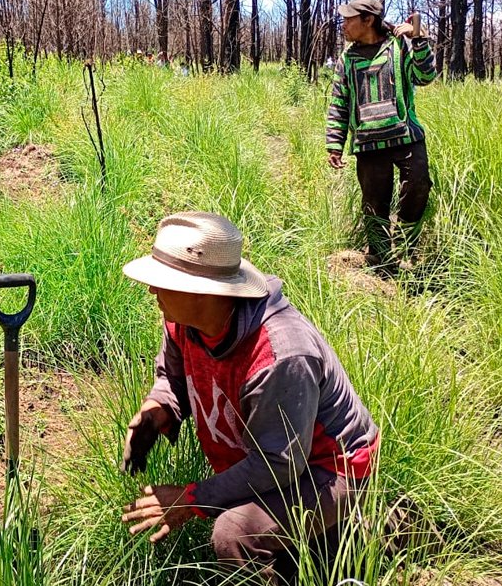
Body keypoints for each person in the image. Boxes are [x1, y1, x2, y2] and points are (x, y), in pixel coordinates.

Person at [119, 212, 379, 585]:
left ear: (203, 291)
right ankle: (318, 542)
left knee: (233, 534)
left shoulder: (279, 354)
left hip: (331, 468)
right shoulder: (183, 322)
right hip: (278, 457)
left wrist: (192, 497)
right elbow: (172, 379)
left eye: (163, 283)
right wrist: (156, 410)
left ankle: (360, 525)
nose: (152, 292)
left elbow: (279, 463)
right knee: (252, 521)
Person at [325, 0, 437, 274]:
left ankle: (406, 245)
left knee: (419, 185)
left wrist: (419, 40)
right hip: (368, 143)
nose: (344, 24)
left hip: (405, 136)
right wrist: (334, 143)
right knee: (374, 205)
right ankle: (381, 262)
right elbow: (339, 101)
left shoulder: (398, 46)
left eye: (349, 19)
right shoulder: (347, 59)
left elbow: (425, 77)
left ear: (368, 20)